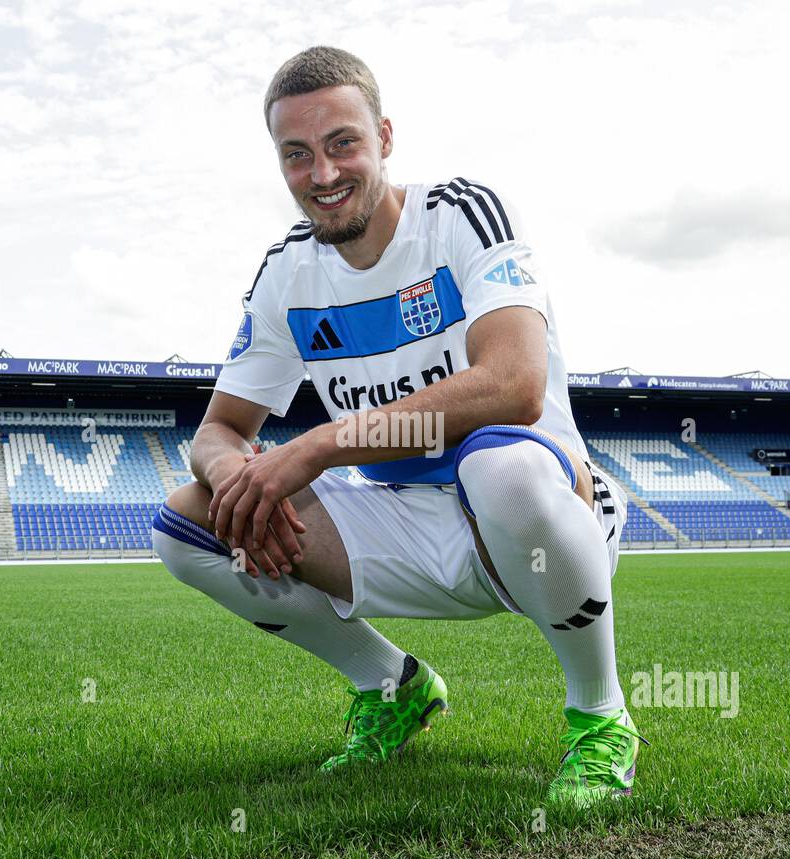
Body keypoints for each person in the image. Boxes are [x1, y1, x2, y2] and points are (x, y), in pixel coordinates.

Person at [151, 46, 644, 807]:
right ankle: (391, 686)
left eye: (342, 143)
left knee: (501, 469)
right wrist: (236, 479)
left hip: (537, 510)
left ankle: (600, 715)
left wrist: (315, 446)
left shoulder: (461, 217)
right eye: (296, 155)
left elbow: (514, 385)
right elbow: (216, 431)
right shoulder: (286, 276)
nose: (323, 174)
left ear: (384, 136)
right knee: (188, 523)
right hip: (401, 524)